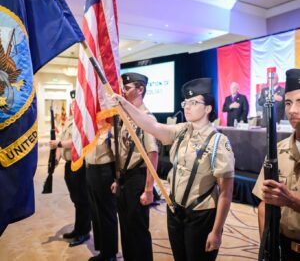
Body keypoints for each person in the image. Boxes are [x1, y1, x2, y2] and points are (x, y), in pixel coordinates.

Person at [110, 77, 235, 261]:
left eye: (194, 102)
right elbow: (152, 126)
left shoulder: (219, 142)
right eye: (186, 102)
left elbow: (226, 192)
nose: (187, 107)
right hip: (175, 211)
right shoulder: (182, 130)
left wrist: (216, 232)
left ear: (208, 108)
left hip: (200, 215)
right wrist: (123, 104)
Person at [253, 68, 300, 260]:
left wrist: (289, 199)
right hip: (283, 250)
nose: (292, 110)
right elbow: (264, 203)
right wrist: (268, 245)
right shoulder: (277, 151)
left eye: (299, 102)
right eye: (288, 103)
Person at [111, 72, 159, 261]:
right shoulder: (127, 116)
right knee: (126, 228)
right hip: (125, 178)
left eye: (128, 87)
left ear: (140, 90)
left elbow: (152, 155)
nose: (123, 90)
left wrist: (148, 189)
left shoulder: (147, 118)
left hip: (138, 178)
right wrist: (118, 179)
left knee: (138, 230)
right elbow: (123, 151)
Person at [50, 90, 91, 247]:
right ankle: (78, 228)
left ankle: (84, 232)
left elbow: (77, 142)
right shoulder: (69, 121)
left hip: (79, 164)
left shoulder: (83, 122)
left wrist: (59, 144)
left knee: (82, 200)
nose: (73, 105)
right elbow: (62, 141)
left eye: (76, 102)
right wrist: (56, 159)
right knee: (76, 200)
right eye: (72, 102)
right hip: (69, 165)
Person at [85, 130, 118, 261]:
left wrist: (117, 179)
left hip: (105, 172)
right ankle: (103, 251)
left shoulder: (111, 129)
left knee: (106, 214)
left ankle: (110, 254)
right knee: (96, 213)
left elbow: (118, 156)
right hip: (91, 170)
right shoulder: (90, 127)